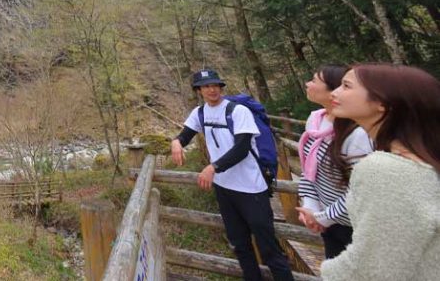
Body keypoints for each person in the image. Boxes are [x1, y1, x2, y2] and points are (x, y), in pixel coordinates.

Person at [171, 69, 294, 281]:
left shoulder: (237, 111)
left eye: (216, 85)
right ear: (198, 90)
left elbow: (242, 148)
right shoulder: (200, 113)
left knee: (268, 247)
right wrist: (176, 142)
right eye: (207, 86)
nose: (212, 89)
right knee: (240, 245)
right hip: (224, 189)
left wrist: (213, 167)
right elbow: (186, 135)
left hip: (251, 188)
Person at [321, 64, 440, 281]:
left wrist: (328, 272)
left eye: (346, 86)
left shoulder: (385, 170)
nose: (335, 92)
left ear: (382, 104)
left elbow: (372, 270)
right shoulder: (424, 161)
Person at [294, 65, 372, 259]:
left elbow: (362, 190)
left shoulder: (358, 135)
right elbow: (309, 170)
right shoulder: (315, 121)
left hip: (357, 227)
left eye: (314, 80)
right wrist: (311, 208)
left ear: (333, 91)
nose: (307, 83)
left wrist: (323, 218)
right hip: (330, 223)